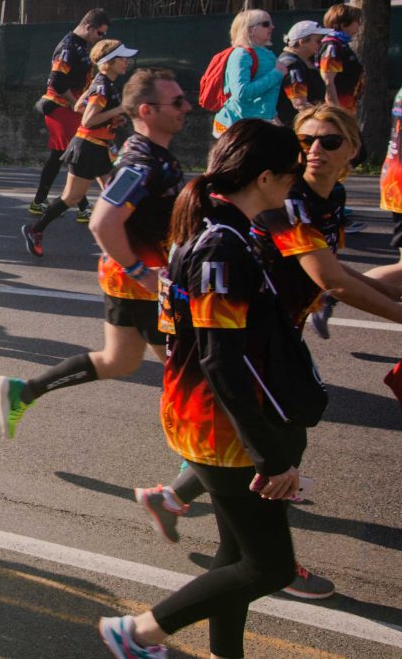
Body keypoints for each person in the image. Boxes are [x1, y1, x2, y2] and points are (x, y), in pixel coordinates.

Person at [134, 104, 402, 600]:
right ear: (272, 170)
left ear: (354, 150)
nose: (314, 152)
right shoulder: (283, 202)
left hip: (274, 335)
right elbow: (333, 282)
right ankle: (263, 567)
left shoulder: (327, 197)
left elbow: (338, 277)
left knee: (254, 458)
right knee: (267, 455)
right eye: (305, 143)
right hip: (251, 342)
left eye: (329, 142)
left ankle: (181, 509)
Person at [97, 120, 315, 659]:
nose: (295, 185)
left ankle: (224, 652)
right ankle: (140, 632)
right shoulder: (221, 246)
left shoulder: (223, 230)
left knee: (236, 551)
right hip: (219, 426)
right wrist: (269, 454)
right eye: (291, 175)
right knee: (270, 566)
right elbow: (223, 360)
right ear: (265, 177)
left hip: (211, 419)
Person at [0, 69, 189, 438]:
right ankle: (196, 466)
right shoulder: (141, 163)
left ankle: (24, 391)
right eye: (177, 102)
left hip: (134, 275)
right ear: (147, 110)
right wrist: (141, 272)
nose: (188, 107)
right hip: (140, 279)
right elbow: (103, 222)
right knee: (186, 371)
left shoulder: (155, 156)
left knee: (120, 360)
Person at [23, 41, 140, 255]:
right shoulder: (103, 85)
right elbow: (86, 120)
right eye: (122, 58)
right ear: (109, 62)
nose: (127, 62)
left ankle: (127, 242)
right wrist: (119, 110)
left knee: (118, 194)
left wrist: (113, 119)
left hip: (99, 148)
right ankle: (35, 229)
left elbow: (78, 106)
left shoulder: (102, 81)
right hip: (87, 149)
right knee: (72, 198)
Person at [31, 9, 109, 214]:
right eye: (99, 33)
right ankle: (82, 206)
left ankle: (40, 200)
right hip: (59, 108)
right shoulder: (67, 47)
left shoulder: (81, 45)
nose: (100, 38)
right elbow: (56, 81)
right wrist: (76, 103)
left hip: (69, 108)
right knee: (74, 153)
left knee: (62, 154)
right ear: (88, 27)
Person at [212, 9, 283, 136]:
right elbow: (241, 92)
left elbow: (266, 98)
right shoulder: (241, 54)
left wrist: (274, 118)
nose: (272, 27)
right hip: (237, 128)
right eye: (266, 24)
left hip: (256, 126)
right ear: (250, 30)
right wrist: (276, 74)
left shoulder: (265, 53)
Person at [275, 20, 333, 125]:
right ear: (302, 42)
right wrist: (324, 122)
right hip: (295, 128)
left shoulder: (306, 61)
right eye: (318, 41)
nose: (321, 44)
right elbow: (300, 104)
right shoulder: (292, 65)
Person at [319, 3, 365, 114]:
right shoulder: (332, 46)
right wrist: (336, 111)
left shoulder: (341, 44)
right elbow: (328, 80)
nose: (360, 24)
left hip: (349, 105)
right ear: (344, 24)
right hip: (338, 108)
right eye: (357, 21)